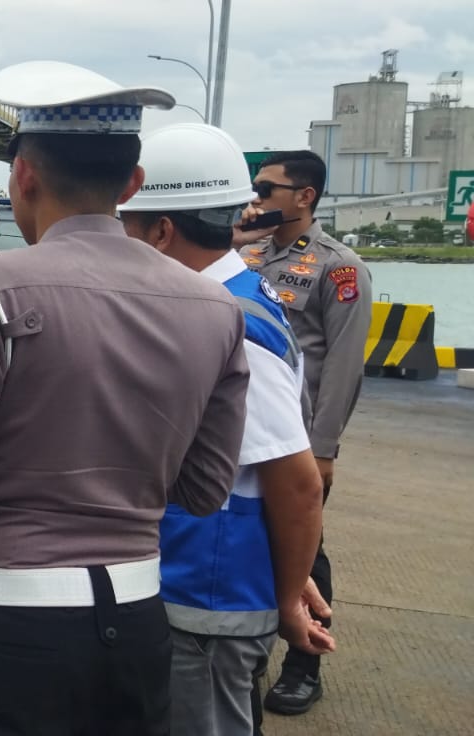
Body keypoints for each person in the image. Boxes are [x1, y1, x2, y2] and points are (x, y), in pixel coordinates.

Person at [0, 62, 250, 735]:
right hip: (139, 617)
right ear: (132, 183)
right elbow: (205, 490)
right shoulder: (216, 308)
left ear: (23, 176)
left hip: (6, 621)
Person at [119, 122, 335, 736]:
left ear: (161, 232)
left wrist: (288, 596)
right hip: (186, 582)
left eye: (127, 227)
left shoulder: (233, 324)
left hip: (208, 594)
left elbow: (296, 483)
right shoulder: (230, 296)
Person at [237, 150, 372, 716]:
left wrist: (323, 448)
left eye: (267, 189)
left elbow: (343, 364)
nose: (258, 198)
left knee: (304, 546)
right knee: (249, 538)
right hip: (244, 431)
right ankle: (248, 653)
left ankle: (303, 665)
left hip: (298, 437)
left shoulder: (338, 268)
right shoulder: (247, 254)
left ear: (305, 196)